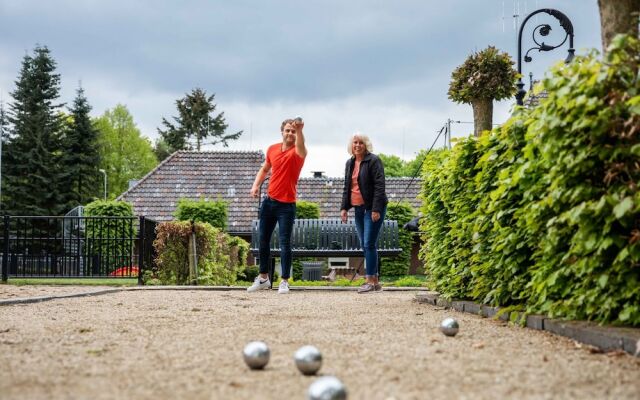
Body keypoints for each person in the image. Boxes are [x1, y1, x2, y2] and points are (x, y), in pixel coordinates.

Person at [248, 118, 307, 294]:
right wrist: (256, 185)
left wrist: (300, 130)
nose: (290, 133)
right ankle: (264, 278)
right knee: (263, 240)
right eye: (288, 130)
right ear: (282, 132)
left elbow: (302, 146)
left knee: (284, 243)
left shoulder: (298, 151)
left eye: (293, 131)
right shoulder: (272, 149)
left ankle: (284, 281)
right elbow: (265, 169)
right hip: (269, 202)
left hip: (287, 206)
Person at [340, 133, 388, 293]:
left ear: (366, 145)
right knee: (367, 244)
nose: (358, 145)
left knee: (368, 243)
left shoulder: (374, 160)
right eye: (355, 142)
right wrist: (344, 208)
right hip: (358, 209)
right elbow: (347, 187)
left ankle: (369, 280)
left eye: (361, 142)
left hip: (372, 209)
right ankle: (374, 281)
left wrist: (376, 209)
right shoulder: (350, 162)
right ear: (351, 145)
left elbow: (380, 186)